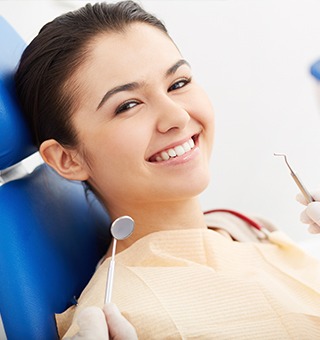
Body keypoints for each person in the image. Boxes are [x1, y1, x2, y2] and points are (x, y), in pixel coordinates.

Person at [15, 1, 320, 338]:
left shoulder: (238, 228)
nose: (176, 116)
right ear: (66, 159)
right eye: (127, 105)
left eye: (178, 83)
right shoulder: (125, 319)